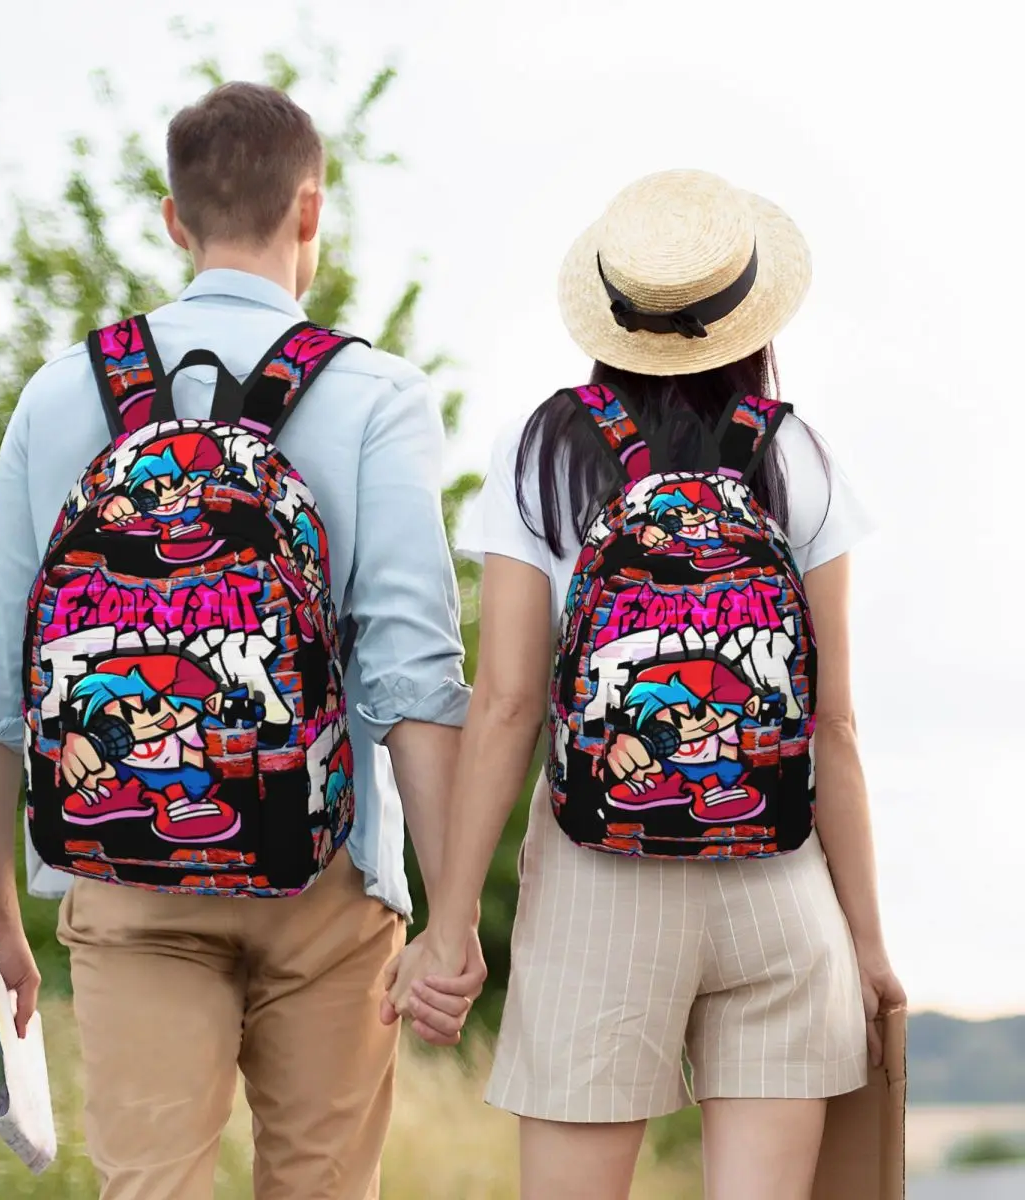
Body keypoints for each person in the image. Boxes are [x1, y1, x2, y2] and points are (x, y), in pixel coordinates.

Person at [0, 81, 485, 1200]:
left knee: (150, 1187)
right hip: (327, 874)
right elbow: (414, 678)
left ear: (174, 220)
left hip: (123, 870)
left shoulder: (60, 395)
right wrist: (452, 914)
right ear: (311, 212)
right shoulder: (375, 394)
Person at [383, 169, 906, 1200]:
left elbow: (507, 706)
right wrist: (869, 943)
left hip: (596, 883)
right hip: (778, 880)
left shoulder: (543, 451)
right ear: (750, 315)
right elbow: (835, 723)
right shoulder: (797, 454)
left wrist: (449, 926)